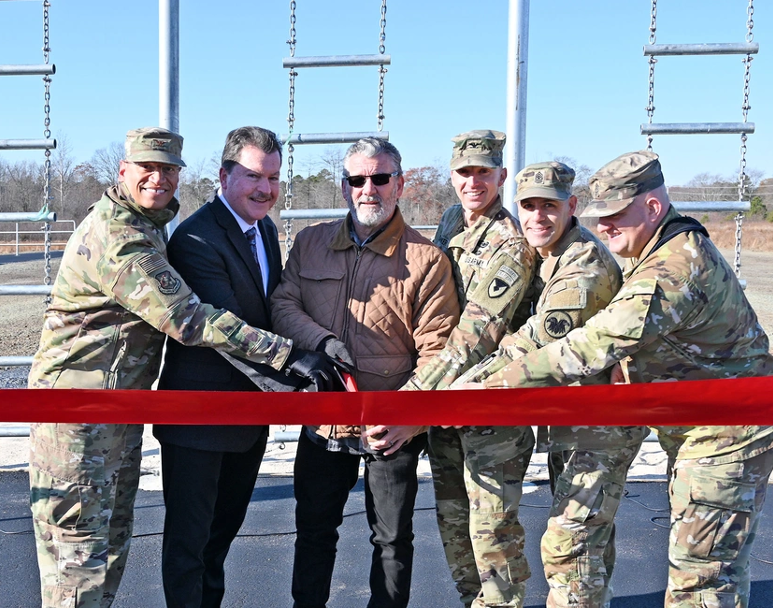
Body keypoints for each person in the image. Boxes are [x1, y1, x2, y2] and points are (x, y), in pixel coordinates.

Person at [27, 127, 337, 608]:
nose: (159, 178)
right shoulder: (122, 236)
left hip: (116, 413)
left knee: (107, 549)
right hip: (79, 419)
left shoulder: (148, 226)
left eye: (169, 169)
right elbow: (189, 319)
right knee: (79, 557)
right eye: (147, 168)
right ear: (123, 170)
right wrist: (290, 357)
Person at [474, 150, 773, 608]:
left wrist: (487, 388)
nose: (604, 226)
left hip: (727, 432)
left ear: (653, 207)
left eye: (616, 215)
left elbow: (589, 346)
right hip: (700, 425)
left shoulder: (673, 268)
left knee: (702, 579)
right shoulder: (660, 248)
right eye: (600, 216)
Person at [270, 137, 460, 608]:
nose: (368, 189)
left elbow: (438, 350)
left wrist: (408, 416)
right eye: (357, 179)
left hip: (390, 428)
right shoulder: (310, 243)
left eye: (379, 178)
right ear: (344, 187)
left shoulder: (426, 260)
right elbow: (283, 304)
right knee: (314, 531)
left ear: (400, 184)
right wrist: (321, 341)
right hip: (325, 420)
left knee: (392, 540)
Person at [454, 161, 648, 608]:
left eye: (550, 206)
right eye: (529, 206)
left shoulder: (584, 266)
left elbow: (531, 346)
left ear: (571, 206)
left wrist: (457, 392)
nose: (538, 216)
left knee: (572, 543)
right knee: (586, 539)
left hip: (599, 421)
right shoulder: (542, 254)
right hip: (569, 412)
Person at [372, 130, 537, 608]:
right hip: (445, 408)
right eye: (465, 172)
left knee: (492, 535)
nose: (473, 182)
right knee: (455, 527)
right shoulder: (451, 221)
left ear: (501, 176)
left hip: (489, 410)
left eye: (484, 172)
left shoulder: (511, 243)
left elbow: (473, 338)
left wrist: (408, 400)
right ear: (452, 176)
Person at [153, 126, 300, 607]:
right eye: (254, 175)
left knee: (219, 541)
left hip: (246, 420)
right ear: (224, 175)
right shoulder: (196, 237)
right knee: (189, 547)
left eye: (273, 178)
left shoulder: (266, 230)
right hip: (199, 420)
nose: (265, 189)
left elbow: (272, 308)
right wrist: (298, 376)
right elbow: (227, 328)